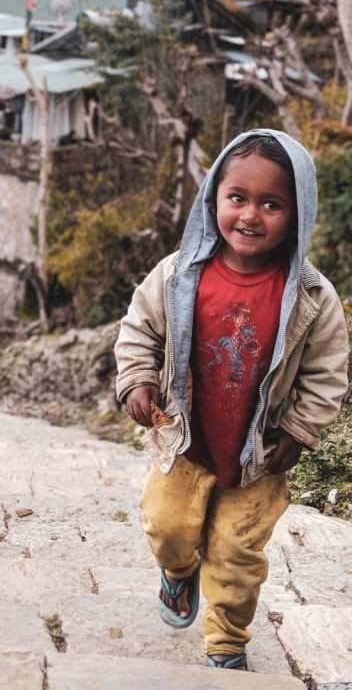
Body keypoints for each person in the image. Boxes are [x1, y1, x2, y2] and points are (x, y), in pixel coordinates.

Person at [114, 129, 349, 671]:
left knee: (237, 554)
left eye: (272, 204)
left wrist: (299, 431)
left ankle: (226, 644)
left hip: (259, 457)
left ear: (297, 214)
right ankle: (176, 574)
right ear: (213, 198)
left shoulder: (313, 296)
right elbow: (138, 331)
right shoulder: (178, 275)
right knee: (167, 528)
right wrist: (137, 380)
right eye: (237, 198)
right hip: (186, 444)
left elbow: (326, 372)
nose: (250, 215)